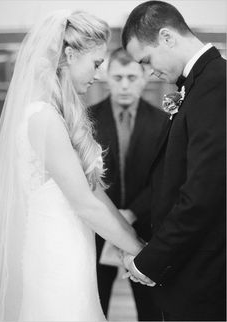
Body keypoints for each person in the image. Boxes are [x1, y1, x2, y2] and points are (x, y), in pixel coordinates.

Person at [0, 11, 146, 322]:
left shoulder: (57, 114)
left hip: (73, 249)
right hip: (54, 257)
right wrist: (141, 253)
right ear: (71, 55)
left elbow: (94, 192)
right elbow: (86, 203)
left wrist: (137, 244)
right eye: (97, 64)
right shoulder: (43, 117)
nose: (99, 74)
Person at [121, 1, 226, 321]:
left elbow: (203, 194)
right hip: (190, 272)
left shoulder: (217, 84)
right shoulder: (199, 83)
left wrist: (150, 261)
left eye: (146, 60)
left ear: (167, 37)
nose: (149, 71)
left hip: (205, 276)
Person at [90, 47, 168, 320]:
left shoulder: (164, 122)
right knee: (93, 303)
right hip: (95, 231)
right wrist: (109, 216)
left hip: (145, 231)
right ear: (107, 77)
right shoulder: (86, 120)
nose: (124, 85)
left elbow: (165, 179)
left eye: (132, 77)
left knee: (150, 310)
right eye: (118, 77)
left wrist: (131, 213)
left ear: (145, 76)